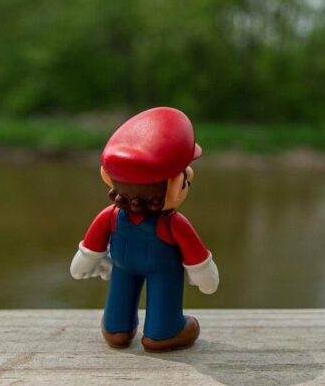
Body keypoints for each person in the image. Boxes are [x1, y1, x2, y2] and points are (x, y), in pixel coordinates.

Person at [70, 107, 219, 353]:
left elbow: (92, 244)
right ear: (173, 186)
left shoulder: (113, 216)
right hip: (163, 270)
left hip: (123, 265)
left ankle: (116, 329)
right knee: (165, 292)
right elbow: (196, 256)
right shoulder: (172, 223)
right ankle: (164, 333)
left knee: (120, 291)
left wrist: (85, 261)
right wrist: (204, 275)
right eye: (185, 176)